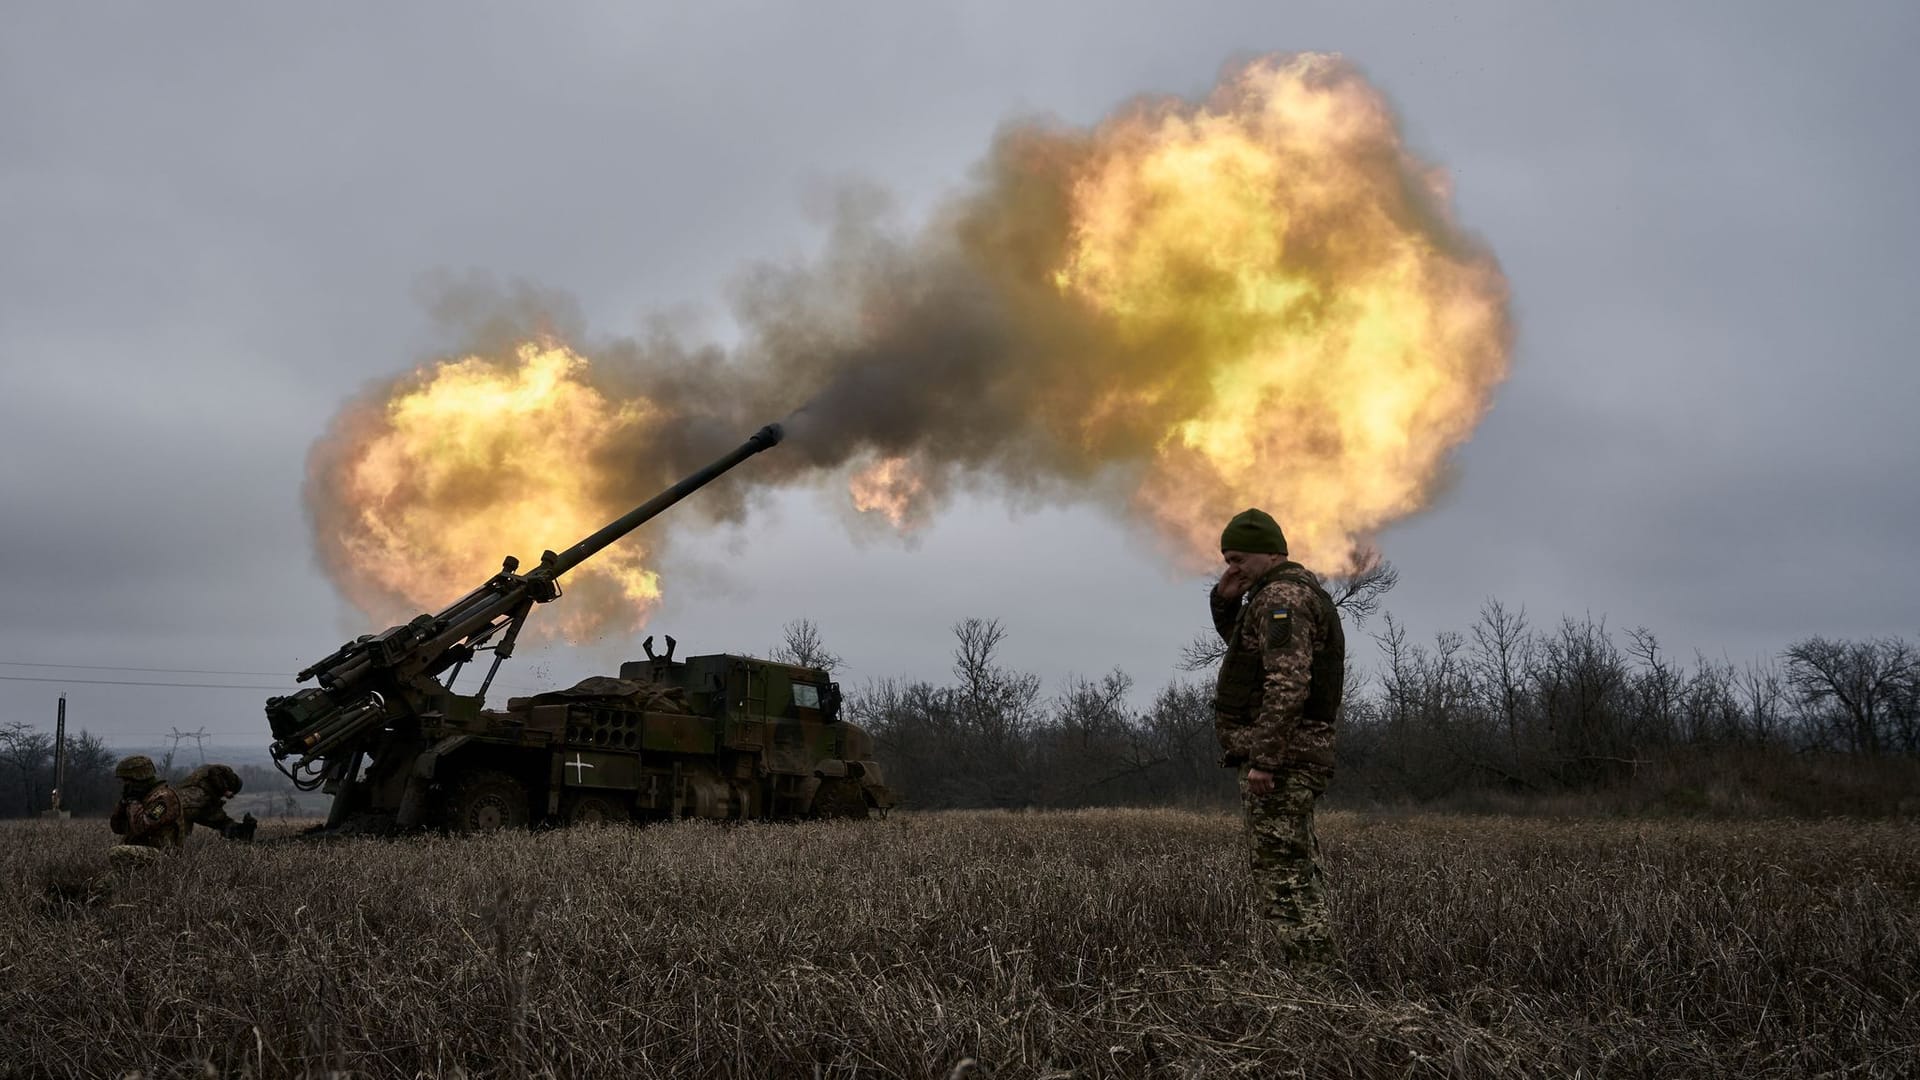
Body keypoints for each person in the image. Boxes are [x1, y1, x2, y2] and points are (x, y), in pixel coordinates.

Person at [1210, 508, 1347, 967]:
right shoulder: (1279, 594)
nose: (1232, 568)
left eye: (1238, 559)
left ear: (1271, 552)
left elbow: (1286, 683)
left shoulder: (1281, 598)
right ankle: (1320, 979)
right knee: (1296, 870)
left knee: (1283, 878)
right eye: (1227, 560)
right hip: (1295, 756)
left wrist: (1265, 760)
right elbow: (1250, 653)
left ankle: (1321, 988)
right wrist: (1225, 602)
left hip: (1285, 762)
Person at [108, 755, 185, 851]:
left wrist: (133, 802)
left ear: (139, 778)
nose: (125, 784)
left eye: (127, 780)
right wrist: (122, 805)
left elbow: (141, 828)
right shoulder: (143, 796)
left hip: (163, 854)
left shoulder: (164, 798)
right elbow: (117, 828)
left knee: (118, 852)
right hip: (144, 850)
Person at [178, 763, 257, 841]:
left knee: (181, 837)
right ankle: (242, 833)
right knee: (222, 821)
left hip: (179, 803)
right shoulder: (228, 774)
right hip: (195, 802)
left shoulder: (204, 778)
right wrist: (225, 790)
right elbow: (213, 771)